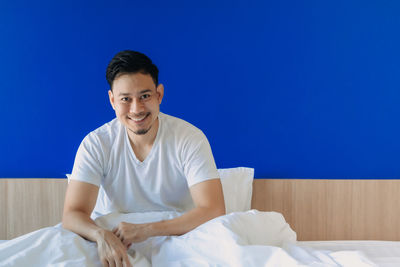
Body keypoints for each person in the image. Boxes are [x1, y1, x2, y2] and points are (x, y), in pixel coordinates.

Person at [62, 50, 225, 267]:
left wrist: (147, 229)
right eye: (125, 99)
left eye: (145, 96)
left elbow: (213, 210)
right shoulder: (96, 143)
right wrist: (100, 235)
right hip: (112, 237)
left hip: (180, 238)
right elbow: (73, 214)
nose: (136, 109)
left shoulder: (189, 138)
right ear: (112, 100)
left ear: (159, 95)